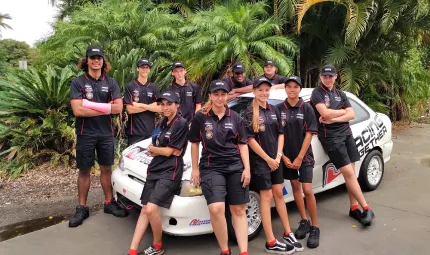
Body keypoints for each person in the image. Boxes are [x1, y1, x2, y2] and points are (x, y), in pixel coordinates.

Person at [189, 80, 251, 255]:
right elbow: (194, 143)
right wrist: (195, 169)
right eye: (216, 94)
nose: (219, 97)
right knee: (216, 208)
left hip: (234, 166)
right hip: (211, 166)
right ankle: (225, 250)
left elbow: (243, 144)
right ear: (210, 96)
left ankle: (244, 251)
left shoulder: (236, 117)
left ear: (227, 96)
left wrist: (247, 168)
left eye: (223, 94)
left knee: (238, 209)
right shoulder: (201, 117)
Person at [69, 45, 128, 227]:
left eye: (99, 58)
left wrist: (90, 105)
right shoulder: (78, 82)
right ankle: (82, 208)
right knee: (84, 170)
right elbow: (78, 111)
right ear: (86, 60)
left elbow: (118, 108)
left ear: (103, 61)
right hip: (86, 133)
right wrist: (105, 108)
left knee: (106, 169)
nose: (96, 61)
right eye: (92, 58)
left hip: (106, 133)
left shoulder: (111, 83)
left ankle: (109, 203)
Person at [310, 64, 375, 226]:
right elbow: (324, 113)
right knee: (348, 172)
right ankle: (366, 208)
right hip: (330, 137)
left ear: (336, 77)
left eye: (330, 76)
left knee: (351, 172)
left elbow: (351, 114)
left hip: (346, 134)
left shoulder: (341, 94)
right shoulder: (316, 93)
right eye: (325, 76)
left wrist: (334, 118)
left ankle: (354, 208)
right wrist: (341, 112)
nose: (328, 79)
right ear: (320, 77)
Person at [127, 91, 189, 255]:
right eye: (162, 104)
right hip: (155, 169)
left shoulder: (181, 124)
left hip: (171, 170)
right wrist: (159, 150)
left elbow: (170, 152)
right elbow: (156, 147)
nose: (165, 107)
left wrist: (157, 150)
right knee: (144, 209)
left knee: (151, 209)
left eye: (169, 104)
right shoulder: (162, 122)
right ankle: (132, 250)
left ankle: (157, 246)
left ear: (177, 105)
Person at [245, 77, 298, 254]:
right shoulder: (249, 112)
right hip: (260, 163)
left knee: (279, 195)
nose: (264, 93)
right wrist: (268, 159)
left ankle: (288, 232)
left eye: (267, 90)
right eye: (260, 90)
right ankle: (270, 241)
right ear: (254, 91)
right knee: (266, 198)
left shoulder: (273, 109)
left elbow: (280, 134)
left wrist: (278, 155)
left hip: (275, 161)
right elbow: (250, 140)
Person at [277, 76, 320, 248]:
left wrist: (300, 158)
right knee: (295, 186)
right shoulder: (278, 109)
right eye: (289, 86)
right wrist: (284, 157)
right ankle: (304, 221)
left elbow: (309, 134)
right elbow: (276, 135)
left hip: (304, 157)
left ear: (300, 89)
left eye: (295, 86)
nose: (292, 89)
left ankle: (315, 227)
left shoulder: (307, 108)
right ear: (285, 88)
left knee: (307, 190)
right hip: (286, 157)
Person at [124, 58, 161, 146]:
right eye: (142, 67)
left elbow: (160, 108)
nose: (145, 69)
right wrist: (151, 107)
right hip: (134, 133)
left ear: (149, 69)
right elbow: (130, 109)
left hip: (150, 132)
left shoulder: (154, 87)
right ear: (138, 68)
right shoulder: (130, 86)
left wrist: (139, 105)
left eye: (147, 67)